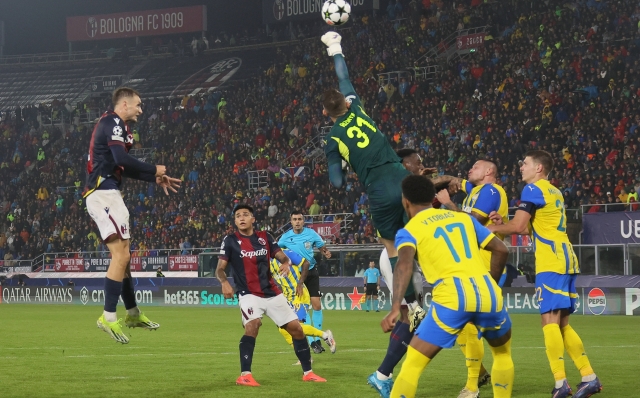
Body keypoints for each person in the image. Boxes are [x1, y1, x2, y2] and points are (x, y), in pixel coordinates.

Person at [319, 33, 425, 395]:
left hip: (379, 192)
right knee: (420, 230)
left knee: (394, 248)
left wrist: (344, 166)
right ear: (345, 103)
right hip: (403, 179)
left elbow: (335, 183)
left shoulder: (333, 138)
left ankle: (411, 299)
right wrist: (335, 47)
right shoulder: (358, 106)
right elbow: (343, 76)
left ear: (325, 113)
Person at [381, 175, 514, 398]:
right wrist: (491, 283)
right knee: (502, 355)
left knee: (412, 365)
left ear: (406, 201)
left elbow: (403, 265)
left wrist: (396, 307)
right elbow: (501, 249)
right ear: (433, 197)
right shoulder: (463, 219)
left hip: (452, 295)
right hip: (487, 291)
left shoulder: (409, 229)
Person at [488, 150, 602, 398]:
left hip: (551, 260)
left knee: (549, 321)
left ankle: (561, 383)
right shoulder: (554, 191)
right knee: (561, 324)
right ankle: (588, 376)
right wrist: (500, 224)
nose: (521, 167)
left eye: (525, 163)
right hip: (565, 256)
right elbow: (531, 227)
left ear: (538, 168)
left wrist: (487, 229)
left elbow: (518, 227)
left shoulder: (532, 189)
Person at [84, 87, 181, 344]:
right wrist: (154, 168)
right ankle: (108, 316)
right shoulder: (112, 121)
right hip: (101, 193)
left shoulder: (123, 129)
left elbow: (122, 166)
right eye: (138, 105)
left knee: (125, 258)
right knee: (121, 255)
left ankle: (133, 313)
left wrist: (154, 178)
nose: (140, 109)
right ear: (124, 104)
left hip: (111, 192)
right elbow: (121, 158)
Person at [216, 204, 326, 386]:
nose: (241, 218)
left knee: (296, 329)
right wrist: (224, 282)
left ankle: (308, 373)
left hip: (272, 293)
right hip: (249, 293)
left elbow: (282, 256)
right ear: (235, 221)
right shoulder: (230, 241)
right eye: (237, 216)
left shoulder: (265, 237)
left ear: (253, 219)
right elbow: (220, 269)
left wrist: (286, 263)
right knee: (253, 325)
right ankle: (245, 375)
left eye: (245, 214)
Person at [430, 160, 509, 397]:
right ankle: (481, 372)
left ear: (488, 172)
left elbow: (472, 224)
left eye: (475, 167)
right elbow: (451, 179)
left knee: (472, 326)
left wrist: (448, 204)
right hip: (471, 266)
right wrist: (429, 182)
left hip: (486, 265)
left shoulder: (491, 191)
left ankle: (473, 386)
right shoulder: (475, 191)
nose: (469, 170)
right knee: (463, 326)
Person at [278, 210, 332, 354]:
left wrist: (325, 252)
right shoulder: (285, 238)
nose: (297, 222)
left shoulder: (311, 234)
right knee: (303, 309)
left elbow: (321, 246)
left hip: (311, 271)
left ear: (303, 221)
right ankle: (312, 342)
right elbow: (277, 251)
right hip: (296, 277)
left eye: (299, 219)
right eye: (294, 219)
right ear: (291, 222)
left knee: (317, 305)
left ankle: (318, 337)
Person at [269, 248, 336, 361]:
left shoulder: (286, 253)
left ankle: (325, 336)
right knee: (282, 328)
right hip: (287, 297)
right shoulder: (265, 261)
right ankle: (305, 357)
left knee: (297, 327)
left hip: (299, 294)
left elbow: (306, 263)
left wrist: (300, 283)